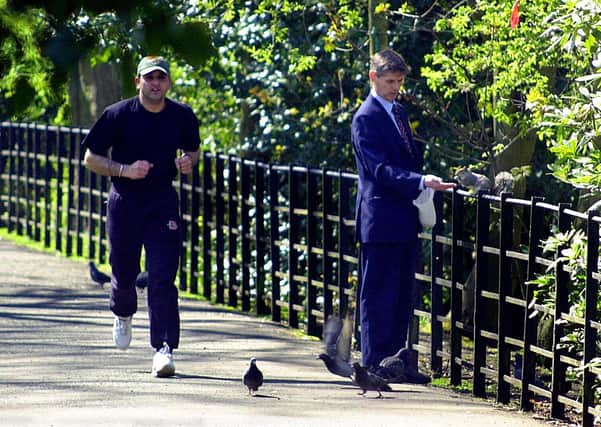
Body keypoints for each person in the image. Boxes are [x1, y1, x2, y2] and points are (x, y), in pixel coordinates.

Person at [82, 56, 201, 377]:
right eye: (149, 78)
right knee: (123, 273)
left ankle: (164, 349)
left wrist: (188, 161)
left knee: (162, 276)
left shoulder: (181, 115)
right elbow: (90, 158)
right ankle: (122, 313)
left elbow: (193, 149)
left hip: (163, 202)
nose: (155, 84)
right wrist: (124, 170)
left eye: (161, 78)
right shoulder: (118, 115)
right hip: (125, 202)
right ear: (138, 82)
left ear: (169, 83)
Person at [351, 48, 455, 380]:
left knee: (401, 295)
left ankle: (398, 361)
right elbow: (378, 169)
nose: (395, 87)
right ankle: (374, 365)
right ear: (373, 78)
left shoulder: (398, 112)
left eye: (399, 81)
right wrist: (420, 181)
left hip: (403, 217)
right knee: (378, 295)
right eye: (390, 81)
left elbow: (405, 161)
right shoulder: (366, 118)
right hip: (379, 219)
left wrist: (421, 182)